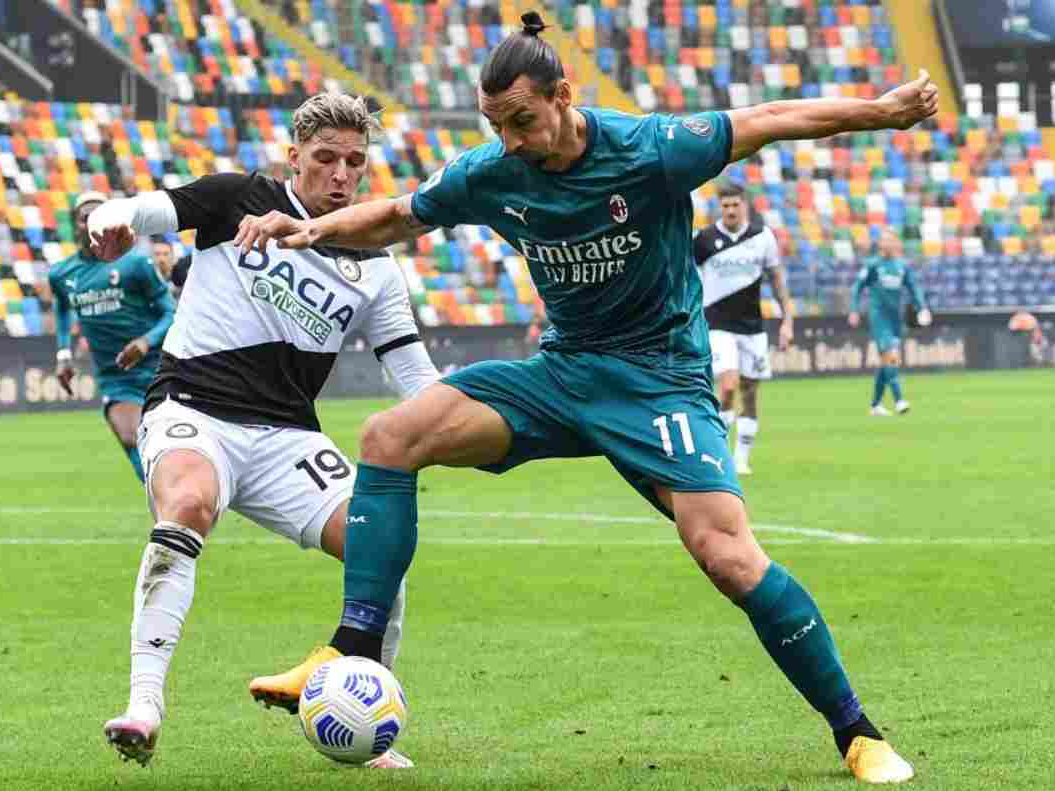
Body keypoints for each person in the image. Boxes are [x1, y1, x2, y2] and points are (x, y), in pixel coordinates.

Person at [238, 13, 936, 784]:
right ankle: (349, 653)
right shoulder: (494, 171)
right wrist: (312, 232)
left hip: (658, 378)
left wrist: (884, 109)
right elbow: (402, 215)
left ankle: (857, 731)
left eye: (522, 121)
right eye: (495, 124)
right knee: (389, 437)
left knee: (727, 555)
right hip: (564, 373)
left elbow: (769, 120)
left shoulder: (648, 149)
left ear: (563, 97)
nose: (509, 140)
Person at [86, 92, 436, 770]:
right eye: (326, 158)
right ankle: (145, 703)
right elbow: (148, 209)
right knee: (187, 502)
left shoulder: (375, 265)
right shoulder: (236, 198)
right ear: (294, 156)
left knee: (381, 550)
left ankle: (359, 721)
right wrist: (112, 217)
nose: (340, 174)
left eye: (355, 163)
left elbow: (415, 377)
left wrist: (470, 413)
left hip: (288, 438)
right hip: (194, 405)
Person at [48, 192, 176, 481]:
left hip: (162, 369)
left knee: (170, 443)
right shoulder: (62, 274)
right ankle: (165, 496)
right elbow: (62, 309)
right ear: (76, 225)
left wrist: (145, 342)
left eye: (98, 216)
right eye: (85, 218)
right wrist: (63, 355)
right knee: (130, 435)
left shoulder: (136, 264)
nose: (92, 222)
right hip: (117, 378)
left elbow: (172, 314)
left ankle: (172, 497)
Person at [694, 182, 794, 475]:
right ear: (719, 208)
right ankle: (720, 453)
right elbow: (686, 278)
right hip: (717, 325)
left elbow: (776, 279)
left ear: (745, 205)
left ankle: (741, 459)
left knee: (750, 393)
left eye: (735, 204)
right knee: (727, 386)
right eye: (725, 206)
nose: (730, 210)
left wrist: (787, 320)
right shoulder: (703, 239)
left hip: (753, 327)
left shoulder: (763, 237)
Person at [847, 234, 930, 416]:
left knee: (886, 361)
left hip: (896, 320)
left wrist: (922, 307)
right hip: (879, 318)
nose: (887, 244)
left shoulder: (902, 266)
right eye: (884, 241)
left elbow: (914, 287)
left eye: (891, 241)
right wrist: (853, 310)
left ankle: (875, 405)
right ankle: (899, 400)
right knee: (891, 357)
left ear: (897, 244)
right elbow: (857, 288)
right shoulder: (873, 265)